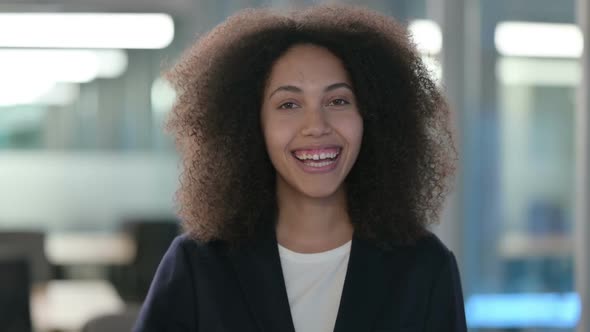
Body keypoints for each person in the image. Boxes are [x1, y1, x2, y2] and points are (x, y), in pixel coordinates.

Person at [133, 4, 466, 332]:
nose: (316, 125)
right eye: (288, 104)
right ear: (251, 124)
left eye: (338, 101)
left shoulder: (424, 269)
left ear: (372, 118)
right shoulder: (197, 266)